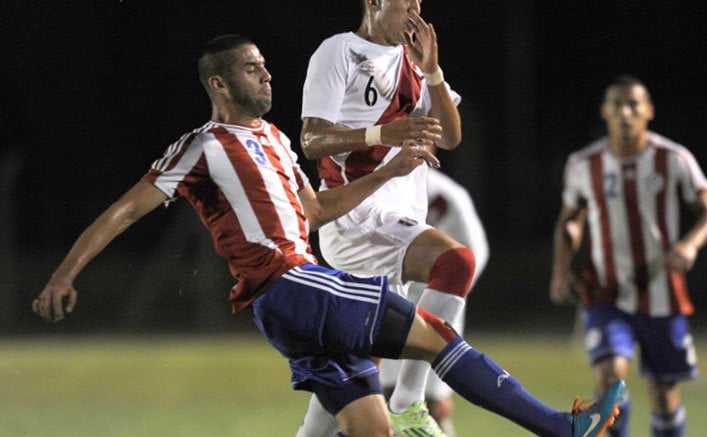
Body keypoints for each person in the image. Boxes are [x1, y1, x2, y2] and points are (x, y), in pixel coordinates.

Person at [33, 35, 624, 437]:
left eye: (264, 65)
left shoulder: (274, 139)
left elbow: (315, 211)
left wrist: (390, 170)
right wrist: (65, 273)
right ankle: (562, 428)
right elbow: (125, 210)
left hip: (284, 307)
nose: (265, 73)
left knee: (371, 428)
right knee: (438, 336)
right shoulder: (205, 145)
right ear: (217, 82)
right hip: (293, 286)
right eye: (249, 68)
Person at [296, 0, 473, 434]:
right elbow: (312, 138)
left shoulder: (412, 62)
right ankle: (412, 398)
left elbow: (451, 136)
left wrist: (433, 72)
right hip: (354, 216)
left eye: (421, 1)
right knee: (455, 262)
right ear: (374, 0)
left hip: (391, 220)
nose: (416, 13)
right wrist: (380, 135)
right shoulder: (339, 52)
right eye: (406, 0)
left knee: (349, 384)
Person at [549, 74, 707, 437]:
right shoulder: (583, 164)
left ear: (649, 111)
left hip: (662, 292)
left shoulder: (672, 158)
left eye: (634, 105)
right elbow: (570, 219)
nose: (625, 113)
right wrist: (562, 269)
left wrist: (690, 244)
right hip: (606, 291)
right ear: (605, 111)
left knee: (662, 394)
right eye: (617, 104)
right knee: (611, 383)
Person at [380, 168, 491, 436]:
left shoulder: (446, 193)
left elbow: (475, 249)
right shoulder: (381, 184)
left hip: (435, 311)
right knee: (381, 399)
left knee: (431, 404)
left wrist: (444, 294)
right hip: (389, 307)